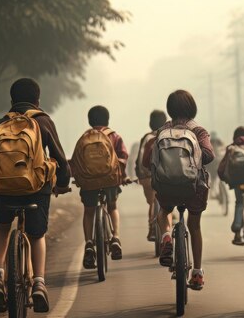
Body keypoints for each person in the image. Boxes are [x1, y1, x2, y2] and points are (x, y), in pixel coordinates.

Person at [0, 78, 71, 313]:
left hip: (4, 190)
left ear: (12, 100)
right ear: (37, 100)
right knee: (37, 234)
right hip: (35, 190)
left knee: (2, 226)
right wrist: (62, 183)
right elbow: (59, 158)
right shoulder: (43, 121)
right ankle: (39, 284)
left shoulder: (0, 123)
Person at [142, 90, 214, 290]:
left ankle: (166, 236)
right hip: (193, 187)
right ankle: (197, 273)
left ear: (170, 110)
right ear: (192, 108)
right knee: (195, 226)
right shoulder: (198, 131)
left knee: (163, 211)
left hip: (167, 187)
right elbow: (209, 155)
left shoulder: (162, 131)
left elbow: (147, 160)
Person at [80, 106, 131, 268]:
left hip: (89, 182)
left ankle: (89, 243)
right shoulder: (114, 136)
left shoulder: (84, 138)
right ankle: (115, 237)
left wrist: (79, 178)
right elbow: (123, 157)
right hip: (110, 181)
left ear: (89, 121)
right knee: (112, 207)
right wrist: (122, 176)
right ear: (107, 120)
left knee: (89, 211)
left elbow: (77, 161)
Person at [135, 110, 168, 241]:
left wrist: (140, 174)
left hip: (148, 177)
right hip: (166, 176)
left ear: (150, 123)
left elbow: (139, 160)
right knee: (167, 202)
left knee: (152, 202)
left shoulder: (146, 138)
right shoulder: (169, 135)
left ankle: (152, 228)